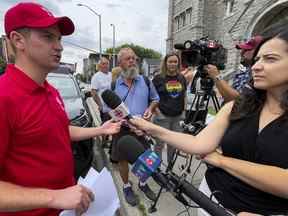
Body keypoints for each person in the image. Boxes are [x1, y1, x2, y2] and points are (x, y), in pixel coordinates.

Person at [130, 26, 288, 215]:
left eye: (270, 59)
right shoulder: (239, 105)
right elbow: (199, 143)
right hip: (209, 200)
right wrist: (150, 127)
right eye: (257, 59)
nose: (255, 66)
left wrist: (222, 161)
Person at [0, 2, 121, 216]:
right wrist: (54, 196)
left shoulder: (51, 91)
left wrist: (100, 130)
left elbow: (60, 131)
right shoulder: (4, 96)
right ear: (18, 40)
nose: (59, 46)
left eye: (59, 39)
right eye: (48, 37)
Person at [111, 47, 160, 206]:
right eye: (128, 59)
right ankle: (126, 186)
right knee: (122, 160)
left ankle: (143, 183)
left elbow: (155, 99)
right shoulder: (114, 85)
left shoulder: (145, 81)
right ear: (120, 63)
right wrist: (128, 123)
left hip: (143, 129)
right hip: (122, 129)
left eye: (134, 58)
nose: (132, 61)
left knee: (147, 160)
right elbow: (110, 110)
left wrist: (150, 109)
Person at [205, 36, 262, 103]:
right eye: (242, 49)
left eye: (247, 49)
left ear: (258, 51)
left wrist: (217, 76)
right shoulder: (246, 70)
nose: (242, 52)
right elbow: (228, 95)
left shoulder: (256, 74)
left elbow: (237, 100)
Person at [152, 53, 186, 165]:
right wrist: (158, 113)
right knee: (159, 144)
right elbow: (151, 97)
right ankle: (156, 168)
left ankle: (170, 168)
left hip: (177, 118)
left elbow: (184, 95)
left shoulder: (181, 78)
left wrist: (184, 112)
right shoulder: (158, 78)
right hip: (162, 117)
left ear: (178, 63)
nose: (172, 64)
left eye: (175, 62)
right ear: (165, 63)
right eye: (170, 61)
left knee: (173, 144)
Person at [91, 57, 112, 123]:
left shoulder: (111, 75)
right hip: (105, 110)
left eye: (107, 64)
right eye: (103, 64)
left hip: (114, 108)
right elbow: (93, 93)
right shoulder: (96, 77)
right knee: (106, 129)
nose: (106, 65)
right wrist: (100, 105)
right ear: (99, 65)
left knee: (115, 128)